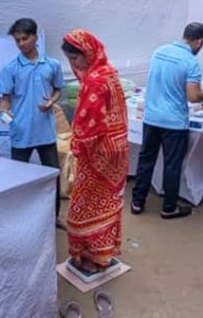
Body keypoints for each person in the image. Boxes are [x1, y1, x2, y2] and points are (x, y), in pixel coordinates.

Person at [131, 22, 203, 219]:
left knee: (146, 160)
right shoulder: (190, 62)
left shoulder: (159, 51)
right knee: (172, 165)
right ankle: (169, 207)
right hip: (173, 122)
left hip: (151, 117)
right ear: (199, 41)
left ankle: (137, 202)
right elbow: (193, 97)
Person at [60, 29, 129, 274]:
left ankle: (89, 256)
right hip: (118, 153)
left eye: (75, 59)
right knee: (109, 204)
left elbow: (90, 125)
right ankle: (103, 255)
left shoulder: (94, 80)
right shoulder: (109, 72)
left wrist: (76, 143)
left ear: (87, 53)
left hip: (97, 154)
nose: (73, 64)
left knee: (80, 211)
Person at [0, 18, 66, 225]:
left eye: (24, 38)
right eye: (17, 40)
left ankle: (54, 217)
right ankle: (20, 220)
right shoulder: (10, 68)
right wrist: (6, 117)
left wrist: (52, 101)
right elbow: (5, 100)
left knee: (53, 176)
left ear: (36, 37)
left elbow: (58, 90)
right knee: (19, 180)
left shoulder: (52, 65)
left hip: (45, 132)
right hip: (21, 133)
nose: (21, 43)